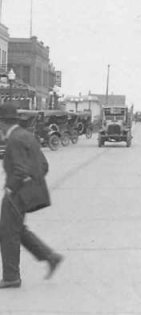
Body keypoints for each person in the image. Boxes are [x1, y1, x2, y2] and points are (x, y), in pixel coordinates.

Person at [0, 104, 63, 288]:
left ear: (3, 123)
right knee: (15, 229)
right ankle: (50, 257)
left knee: (8, 232)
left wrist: (12, 188)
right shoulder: (27, 136)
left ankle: (11, 277)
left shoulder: (14, 140)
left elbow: (19, 170)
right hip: (26, 193)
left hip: (16, 194)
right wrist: (32, 184)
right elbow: (43, 165)